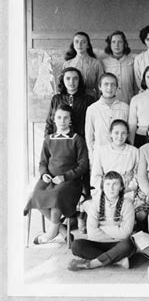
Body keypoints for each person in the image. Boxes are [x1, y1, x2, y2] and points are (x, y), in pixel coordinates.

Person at [24, 105, 89, 244]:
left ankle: (50, 234)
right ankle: (63, 231)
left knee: (56, 199)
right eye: (59, 117)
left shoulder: (77, 139)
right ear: (54, 119)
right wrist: (44, 174)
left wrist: (64, 176)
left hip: (70, 181)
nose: (62, 120)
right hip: (50, 179)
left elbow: (83, 165)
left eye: (66, 117)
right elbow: (42, 162)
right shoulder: (49, 139)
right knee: (35, 195)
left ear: (71, 120)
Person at [68, 171, 135, 271]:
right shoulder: (95, 204)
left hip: (118, 244)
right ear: (103, 187)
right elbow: (92, 234)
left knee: (128, 245)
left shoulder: (127, 204)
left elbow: (125, 233)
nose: (111, 188)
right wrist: (116, 231)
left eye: (115, 184)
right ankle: (118, 261)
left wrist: (102, 228)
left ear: (121, 187)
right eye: (107, 184)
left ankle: (92, 263)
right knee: (76, 245)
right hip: (98, 243)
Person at [84, 73, 129, 162]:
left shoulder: (125, 107)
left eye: (113, 85)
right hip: (100, 155)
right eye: (106, 84)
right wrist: (93, 157)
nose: (109, 88)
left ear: (117, 87)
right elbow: (89, 136)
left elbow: (129, 133)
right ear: (100, 87)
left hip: (121, 155)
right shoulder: (93, 109)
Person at [90, 120, 139, 200]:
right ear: (110, 134)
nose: (120, 136)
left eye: (123, 133)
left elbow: (137, 175)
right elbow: (95, 176)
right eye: (116, 133)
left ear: (127, 135)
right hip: (106, 190)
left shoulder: (134, 151)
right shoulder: (101, 151)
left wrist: (128, 188)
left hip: (126, 191)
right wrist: (108, 189)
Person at [44, 67, 95, 138]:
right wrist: (48, 141)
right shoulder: (56, 99)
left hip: (81, 142)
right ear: (63, 80)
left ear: (79, 80)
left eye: (75, 78)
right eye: (68, 78)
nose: (71, 82)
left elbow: (94, 124)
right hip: (59, 141)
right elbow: (49, 123)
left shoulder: (89, 100)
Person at [63, 31, 104, 99]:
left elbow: (100, 86)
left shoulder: (96, 63)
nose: (80, 44)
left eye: (83, 42)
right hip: (72, 99)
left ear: (88, 45)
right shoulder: (67, 64)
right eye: (77, 42)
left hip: (91, 98)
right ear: (73, 45)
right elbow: (63, 86)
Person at [102, 30, 137, 103]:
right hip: (110, 103)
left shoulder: (132, 61)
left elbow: (136, 85)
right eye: (113, 42)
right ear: (110, 44)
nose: (116, 45)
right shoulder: (104, 63)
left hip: (129, 101)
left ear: (124, 44)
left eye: (120, 42)